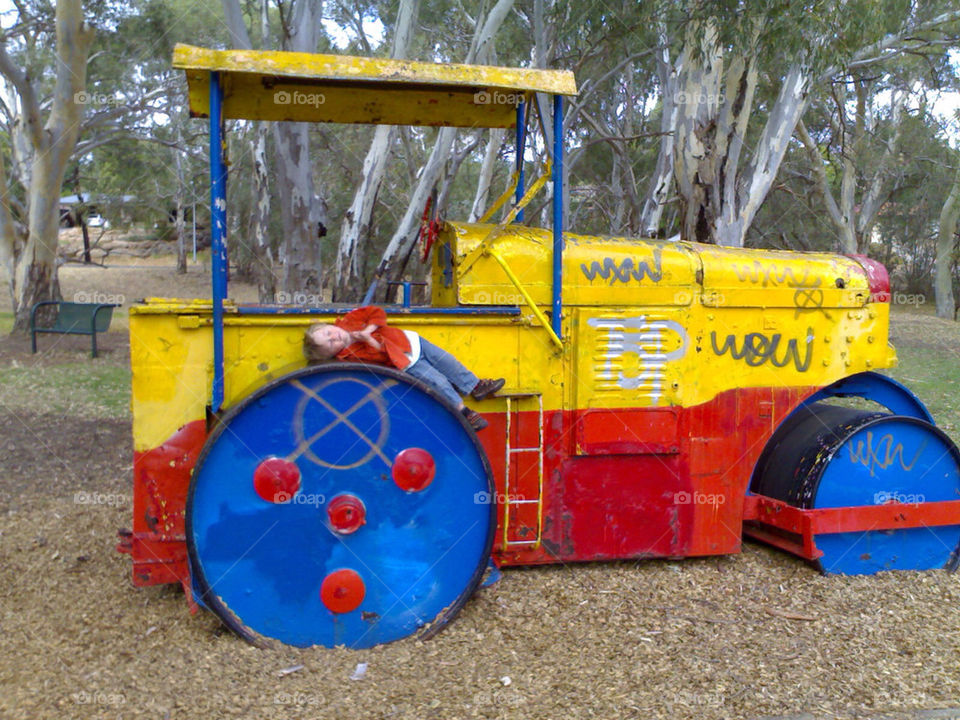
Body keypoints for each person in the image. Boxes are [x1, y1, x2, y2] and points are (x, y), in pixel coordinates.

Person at [303, 306, 505, 430]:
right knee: (438, 382)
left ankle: (475, 386)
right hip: (405, 363)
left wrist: (368, 330)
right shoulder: (350, 357)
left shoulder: (351, 319)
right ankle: (464, 413)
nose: (333, 337)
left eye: (329, 332)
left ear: (329, 325)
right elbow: (381, 357)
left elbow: (377, 312)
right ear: (330, 354)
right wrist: (369, 341)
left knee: (446, 361)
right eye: (329, 343)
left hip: (410, 341)